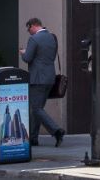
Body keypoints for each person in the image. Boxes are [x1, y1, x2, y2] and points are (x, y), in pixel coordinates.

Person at [19, 17, 66, 147]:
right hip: (50, 78)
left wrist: (23, 53)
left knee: (36, 108)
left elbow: (28, 58)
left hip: (37, 78)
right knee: (38, 109)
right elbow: (49, 56)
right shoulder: (52, 37)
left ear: (33, 25)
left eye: (29, 29)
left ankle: (56, 131)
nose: (29, 32)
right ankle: (33, 138)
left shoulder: (34, 39)